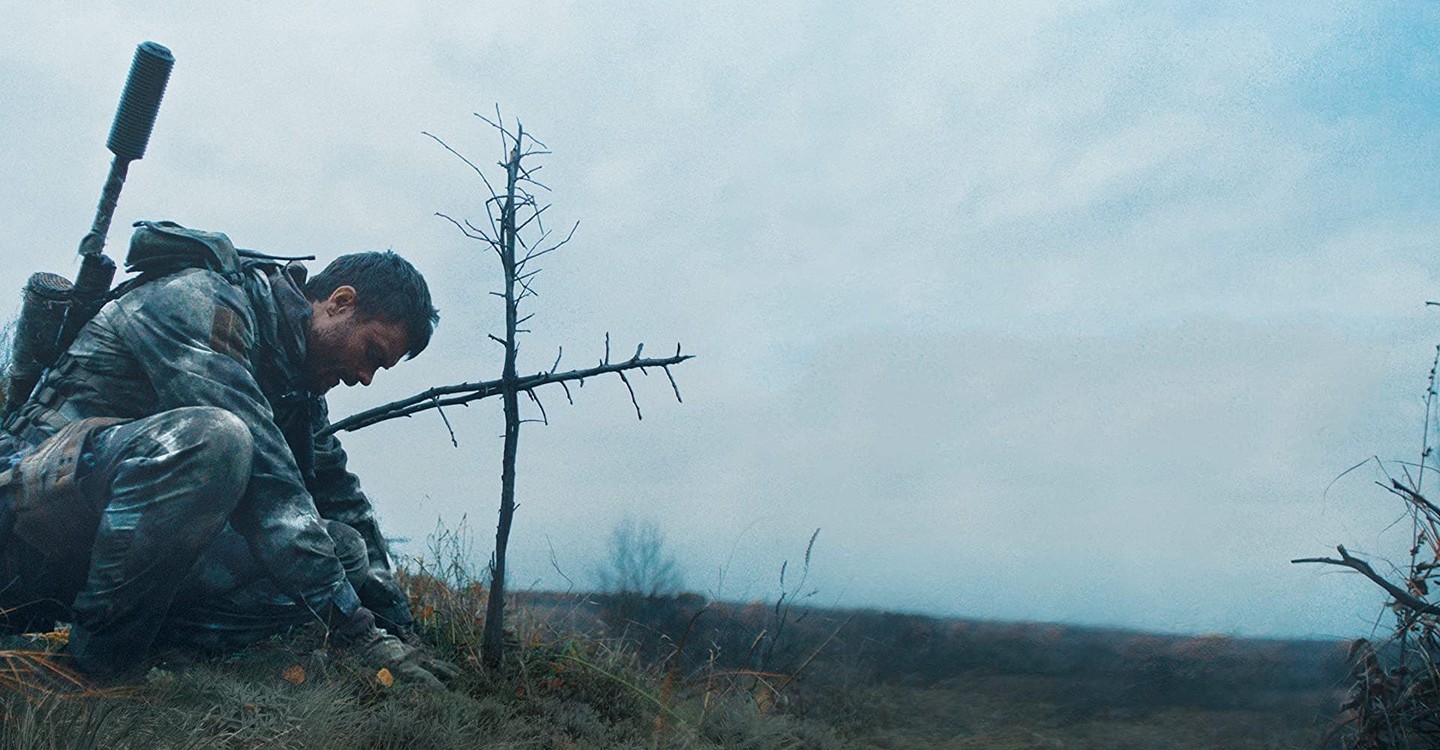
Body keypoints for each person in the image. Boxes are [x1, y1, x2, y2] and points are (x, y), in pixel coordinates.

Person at [0, 222, 457, 687]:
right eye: (372, 353)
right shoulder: (198, 301)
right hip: (26, 525)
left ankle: (157, 647)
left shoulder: (296, 385)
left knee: (346, 551)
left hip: (100, 541)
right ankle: (97, 668)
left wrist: (399, 630)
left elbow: (341, 498)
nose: (365, 378)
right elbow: (268, 479)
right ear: (339, 303)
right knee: (217, 439)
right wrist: (360, 635)